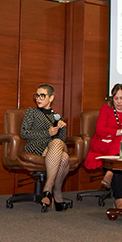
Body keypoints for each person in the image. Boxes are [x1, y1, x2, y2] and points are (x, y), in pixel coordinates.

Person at [84, 84, 122, 209]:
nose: (119, 102)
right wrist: (117, 132)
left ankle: (110, 171)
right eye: (116, 98)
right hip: (104, 144)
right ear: (112, 98)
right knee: (120, 145)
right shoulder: (106, 109)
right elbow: (99, 130)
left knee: (121, 143)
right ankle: (119, 200)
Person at [20, 83, 71, 211]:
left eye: (42, 96)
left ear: (51, 98)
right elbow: (24, 133)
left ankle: (48, 190)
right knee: (64, 156)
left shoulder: (57, 116)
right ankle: (56, 193)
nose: (38, 98)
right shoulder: (32, 112)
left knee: (60, 149)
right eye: (37, 95)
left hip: (53, 148)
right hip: (36, 146)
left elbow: (61, 140)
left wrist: (62, 127)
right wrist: (47, 133)